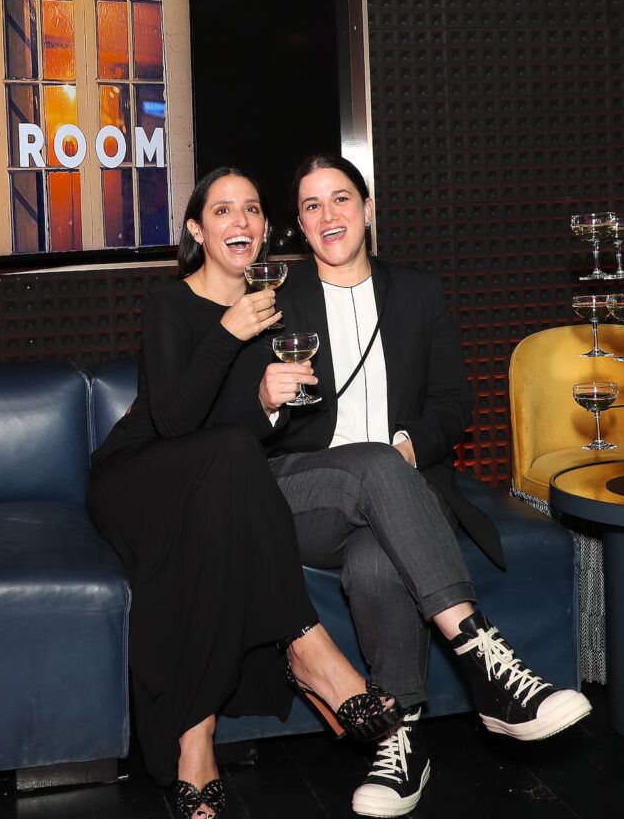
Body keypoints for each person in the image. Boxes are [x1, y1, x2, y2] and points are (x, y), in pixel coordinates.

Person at [244, 153, 590, 818]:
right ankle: (487, 661)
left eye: (340, 199)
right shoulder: (272, 306)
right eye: (312, 207)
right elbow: (241, 426)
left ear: (368, 210)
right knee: (372, 463)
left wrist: (413, 445)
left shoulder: (418, 292)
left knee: (379, 561)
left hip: (398, 495)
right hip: (303, 496)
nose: (328, 215)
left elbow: (453, 402)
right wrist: (266, 397)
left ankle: (401, 740)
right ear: (300, 226)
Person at [88, 166, 403, 819]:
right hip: (136, 476)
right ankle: (306, 644)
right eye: (224, 211)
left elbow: (246, 435)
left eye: (253, 210)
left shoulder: (276, 316)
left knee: (215, 515)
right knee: (228, 458)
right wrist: (228, 331)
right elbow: (175, 422)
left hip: (210, 490)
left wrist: (268, 403)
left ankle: (196, 744)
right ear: (197, 230)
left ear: (263, 229)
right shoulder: (169, 304)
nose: (242, 222)